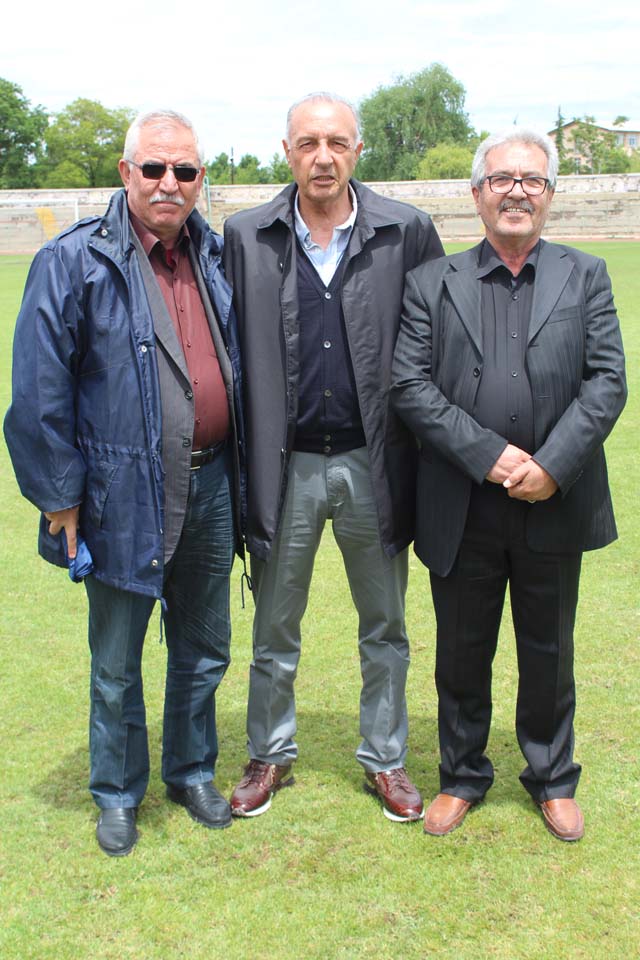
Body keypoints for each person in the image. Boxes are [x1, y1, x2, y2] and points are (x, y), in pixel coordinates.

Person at [4, 109, 244, 857]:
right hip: (119, 494)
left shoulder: (215, 254)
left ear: (200, 178)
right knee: (116, 659)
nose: (170, 182)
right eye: (155, 168)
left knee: (203, 646)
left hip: (211, 484)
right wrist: (60, 496)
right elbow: (38, 390)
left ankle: (191, 771)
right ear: (126, 171)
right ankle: (116, 791)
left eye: (185, 170)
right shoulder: (73, 259)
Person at [391, 128, 627, 841]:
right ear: (477, 194)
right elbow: (410, 385)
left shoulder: (586, 275)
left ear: (550, 195)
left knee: (549, 650)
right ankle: (461, 776)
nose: (516, 191)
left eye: (532, 180)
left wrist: (551, 466)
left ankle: (552, 778)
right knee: (462, 650)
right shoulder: (433, 282)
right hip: (463, 501)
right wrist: (491, 456)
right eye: (502, 179)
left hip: (553, 501)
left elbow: (607, 381)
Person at [223, 92, 444, 822]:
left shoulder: (406, 231)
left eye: (337, 143)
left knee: (385, 627)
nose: (323, 157)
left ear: (357, 151)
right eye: (309, 143)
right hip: (283, 467)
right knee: (274, 628)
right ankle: (269, 753)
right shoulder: (246, 235)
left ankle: (385, 758)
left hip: (373, 464)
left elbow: (437, 342)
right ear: (287, 151)